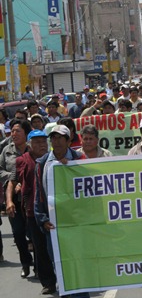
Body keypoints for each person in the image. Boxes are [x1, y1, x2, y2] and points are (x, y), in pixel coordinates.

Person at [34, 125, 90, 298]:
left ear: (68, 140)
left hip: (76, 224)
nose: (56, 141)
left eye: (60, 138)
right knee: (59, 265)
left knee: (79, 264)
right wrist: (43, 220)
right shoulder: (43, 163)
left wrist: (72, 167)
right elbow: (39, 195)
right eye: (53, 138)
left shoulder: (79, 159)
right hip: (53, 226)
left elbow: (89, 189)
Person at [7, 129, 56, 294]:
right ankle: (48, 282)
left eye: (43, 142)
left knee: (57, 248)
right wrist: (10, 200)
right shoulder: (21, 161)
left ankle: (64, 279)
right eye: (36, 142)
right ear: (29, 145)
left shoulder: (54, 158)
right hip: (33, 211)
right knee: (40, 248)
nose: (41, 145)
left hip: (55, 210)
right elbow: (13, 182)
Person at [2, 119, 33, 278]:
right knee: (18, 233)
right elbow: (0, 170)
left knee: (34, 233)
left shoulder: (33, 149)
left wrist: (23, 181)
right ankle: (26, 263)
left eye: (17, 131)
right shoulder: (6, 150)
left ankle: (40, 265)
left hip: (31, 198)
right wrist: (12, 179)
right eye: (12, 131)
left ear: (26, 133)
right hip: (13, 197)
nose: (13, 134)